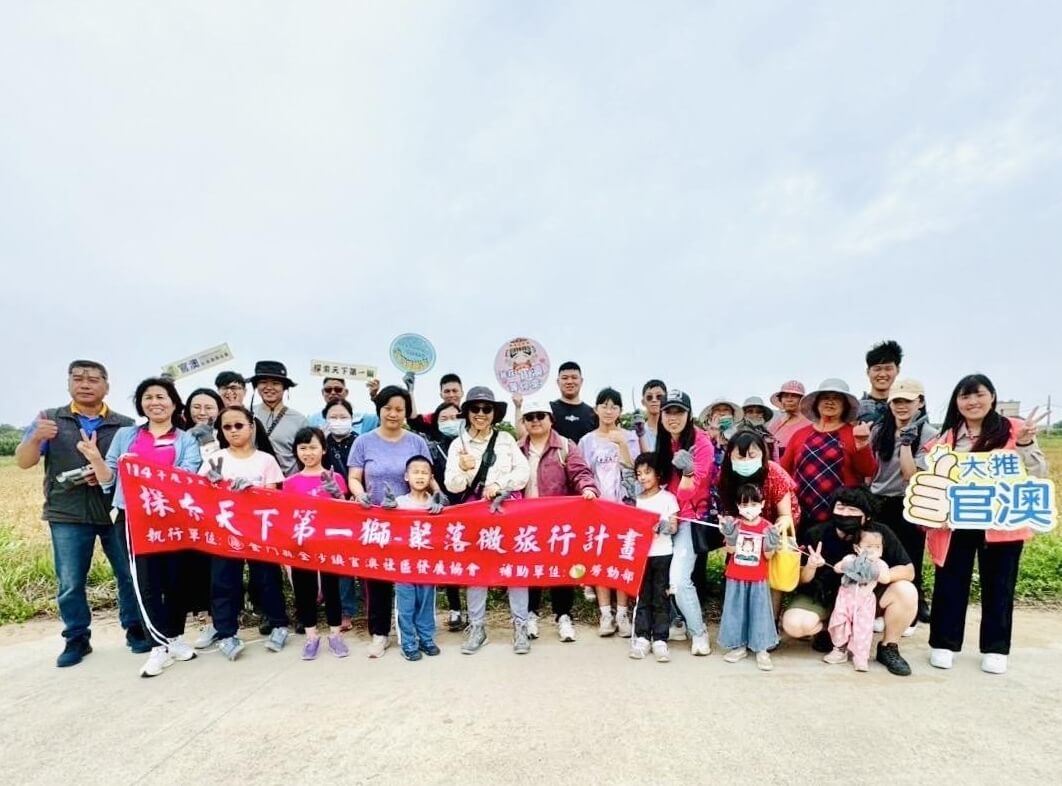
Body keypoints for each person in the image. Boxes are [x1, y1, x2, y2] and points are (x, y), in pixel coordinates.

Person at [14, 360, 145, 667]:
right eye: (78, 379)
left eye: (93, 379)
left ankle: (135, 629)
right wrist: (34, 437)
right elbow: (23, 462)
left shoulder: (125, 424)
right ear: (69, 383)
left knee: (128, 575)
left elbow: (134, 468)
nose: (85, 384)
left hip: (113, 510)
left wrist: (102, 473)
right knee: (71, 580)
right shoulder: (49, 420)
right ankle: (76, 637)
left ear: (107, 386)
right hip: (67, 512)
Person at [922, 374, 1048, 675]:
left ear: (992, 396)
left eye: (978, 394)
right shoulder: (947, 437)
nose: (972, 402)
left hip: (1002, 522)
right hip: (956, 521)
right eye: (965, 397)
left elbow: (1038, 472)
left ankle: (995, 648)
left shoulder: (1013, 430)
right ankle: (944, 643)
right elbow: (934, 476)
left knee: (999, 584)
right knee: (951, 582)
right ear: (957, 402)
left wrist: (1026, 443)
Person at [80, 376, 203, 677]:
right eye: (148, 397)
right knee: (144, 582)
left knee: (175, 581)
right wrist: (96, 459)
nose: (155, 402)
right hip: (134, 519)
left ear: (174, 403)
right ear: (141, 404)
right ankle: (156, 647)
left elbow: (187, 474)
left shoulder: (185, 439)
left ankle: (173, 637)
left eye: (162, 397)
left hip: (172, 519)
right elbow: (109, 480)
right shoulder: (126, 436)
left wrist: (144, 470)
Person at [781, 487, 917, 676]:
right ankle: (831, 632)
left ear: (867, 516)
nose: (845, 514)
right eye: (841, 508)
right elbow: (802, 580)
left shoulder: (879, 534)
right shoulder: (817, 533)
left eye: (853, 510)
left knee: (906, 590)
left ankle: (888, 647)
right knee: (795, 625)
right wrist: (811, 566)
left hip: (865, 596)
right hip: (824, 596)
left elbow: (908, 570)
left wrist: (882, 574)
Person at [198, 405, 291, 660]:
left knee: (266, 579)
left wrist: (253, 492)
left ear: (251, 426)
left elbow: (274, 496)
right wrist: (213, 486)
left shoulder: (266, 460)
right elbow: (199, 496)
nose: (233, 431)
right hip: (225, 530)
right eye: (226, 427)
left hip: (258, 531)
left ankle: (278, 624)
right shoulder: (214, 460)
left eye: (239, 425)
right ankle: (226, 633)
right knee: (224, 581)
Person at [444, 386, 531, 654]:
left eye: (487, 409)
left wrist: (497, 484)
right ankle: (478, 627)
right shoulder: (458, 444)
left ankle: (521, 627)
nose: (481, 414)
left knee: (515, 568)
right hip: (475, 514)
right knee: (476, 569)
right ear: (467, 412)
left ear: (494, 413)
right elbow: (452, 484)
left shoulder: (505, 439)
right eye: (475, 409)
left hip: (507, 511)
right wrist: (463, 468)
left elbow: (523, 473)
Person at [347, 385, 432, 658]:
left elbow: (427, 476)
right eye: (388, 408)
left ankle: (420, 633)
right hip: (377, 520)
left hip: (412, 522)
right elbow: (354, 478)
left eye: (399, 409)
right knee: (378, 578)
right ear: (379, 409)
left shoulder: (417, 442)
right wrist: (360, 496)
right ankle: (380, 633)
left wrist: (440, 499)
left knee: (416, 578)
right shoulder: (363, 441)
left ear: (407, 412)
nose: (393, 414)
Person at [517, 399, 599, 642]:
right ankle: (530, 614)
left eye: (540, 416)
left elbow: (580, 472)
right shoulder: (517, 448)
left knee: (561, 569)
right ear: (524, 422)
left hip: (557, 522)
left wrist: (588, 488)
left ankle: (563, 616)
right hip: (525, 521)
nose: (535, 421)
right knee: (529, 569)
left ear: (551, 419)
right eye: (530, 417)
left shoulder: (564, 445)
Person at [869, 379, 938, 626]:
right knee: (878, 555)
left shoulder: (930, 435)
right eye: (896, 401)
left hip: (909, 502)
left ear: (920, 402)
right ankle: (879, 608)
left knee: (909, 557)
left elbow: (911, 474)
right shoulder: (880, 431)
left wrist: (907, 444)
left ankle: (909, 612)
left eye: (908, 401)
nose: (902, 406)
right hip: (879, 501)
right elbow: (871, 470)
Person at [654, 389, 714, 656]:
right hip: (665, 517)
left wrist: (688, 471)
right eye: (668, 411)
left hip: (689, 519)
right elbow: (659, 481)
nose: (673, 417)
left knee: (679, 579)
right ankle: (677, 621)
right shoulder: (664, 441)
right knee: (661, 574)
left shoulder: (701, 442)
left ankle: (699, 632)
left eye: (679, 411)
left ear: (689, 415)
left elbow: (693, 489)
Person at [578, 388, 640, 637]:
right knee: (600, 560)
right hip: (596, 509)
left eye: (614, 406)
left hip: (624, 508)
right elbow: (582, 473)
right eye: (604, 405)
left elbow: (637, 471)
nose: (608, 410)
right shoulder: (587, 440)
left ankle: (623, 613)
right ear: (596, 409)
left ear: (620, 412)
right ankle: (606, 614)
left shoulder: (630, 437)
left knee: (621, 559)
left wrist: (623, 445)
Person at [284, 427, 350, 660]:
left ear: (323, 449)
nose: (308, 453)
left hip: (329, 543)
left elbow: (346, 511)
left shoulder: (336, 478)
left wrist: (338, 495)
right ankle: (311, 637)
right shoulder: (290, 482)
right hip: (302, 544)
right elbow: (285, 515)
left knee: (332, 590)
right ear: (296, 451)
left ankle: (335, 635)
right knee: (305, 590)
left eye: (313, 447)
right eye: (303, 448)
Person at [781, 379, 877, 525]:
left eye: (836, 398)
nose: (830, 402)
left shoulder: (853, 433)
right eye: (825, 398)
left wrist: (862, 445)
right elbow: (783, 472)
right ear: (816, 403)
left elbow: (868, 470)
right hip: (800, 512)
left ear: (845, 406)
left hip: (840, 513)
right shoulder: (800, 434)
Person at [416, 401, 467, 631]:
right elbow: (427, 472)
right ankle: (455, 609)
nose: (450, 422)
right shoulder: (431, 445)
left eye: (455, 417)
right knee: (450, 559)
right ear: (436, 422)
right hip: (444, 507)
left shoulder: (471, 443)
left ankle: (477, 612)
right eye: (444, 418)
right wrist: (436, 493)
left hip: (472, 505)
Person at [717, 485, 780, 671]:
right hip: (736, 577)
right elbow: (731, 551)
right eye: (745, 504)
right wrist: (729, 535)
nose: (749, 508)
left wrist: (771, 543)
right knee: (736, 612)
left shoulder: (768, 527)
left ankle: (762, 649)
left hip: (758, 577)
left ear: (762, 504)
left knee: (760, 613)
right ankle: (739, 646)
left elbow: (768, 557)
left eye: (754, 503)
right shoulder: (734, 524)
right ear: (738, 506)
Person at [180, 388, 224, 630]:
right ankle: (205, 618)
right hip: (188, 509)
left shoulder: (226, 433)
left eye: (209, 407)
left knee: (219, 565)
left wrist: (208, 441)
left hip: (220, 510)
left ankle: (225, 615)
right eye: (196, 407)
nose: (202, 412)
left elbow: (223, 466)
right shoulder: (180, 436)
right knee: (195, 564)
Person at [629, 454, 679, 662]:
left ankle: (660, 639)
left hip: (662, 554)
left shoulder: (668, 498)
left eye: (647, 472)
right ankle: (642, 637)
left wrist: (665, 527)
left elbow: (675, 525)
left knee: (660, 596)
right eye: (638, 474)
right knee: (642, 597)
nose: (642, 477)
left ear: (658, 474)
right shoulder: (635, 500)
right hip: (641, 556)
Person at [823, 526, 893, 672]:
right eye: (868, 547)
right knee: (839, 623)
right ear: (857, 547)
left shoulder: (880, 564)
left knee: (862, 628)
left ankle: (860, 657)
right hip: (845, 598)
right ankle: (839, 649)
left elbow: (886, 579)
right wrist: (852, 565)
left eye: (877, 547)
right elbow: (837, 568)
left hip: (865, 601)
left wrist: (871, 567)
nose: (873, 550)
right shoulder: (850, 559)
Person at [393, 456, 442, 661]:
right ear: (406, 476)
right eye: (415, 471)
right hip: (404, 565)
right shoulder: (398, 502)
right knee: (405, 605)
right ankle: (408, 642)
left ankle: (426, 639)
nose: (420, 476)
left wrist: (440, 501)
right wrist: (387, 509)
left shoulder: (435, 504)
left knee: (426, 603)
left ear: (431, 477)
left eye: (424, 472)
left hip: (427, 565)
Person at [319, 399, 360, 631]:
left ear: (352, 418)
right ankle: (334, 607)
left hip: (357, 505)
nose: (338, 421)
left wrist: (357, 493)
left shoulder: (360, 442)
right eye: (333, 417)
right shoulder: (322, 444)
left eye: (343, 416)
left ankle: (348, 610)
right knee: (334, 561)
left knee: (351, 562)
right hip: (330, 508)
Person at [249, 360, 308, 476]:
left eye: (275, 383)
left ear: (285, 387)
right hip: (253, 482)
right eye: (263, 382)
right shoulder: (246, 414)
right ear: (256, 386)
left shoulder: (299, 420)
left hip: (287, 484)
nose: (269, 387)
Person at [307, 377, 379, 435]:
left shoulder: (361, 419)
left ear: (346, 392)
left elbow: (384, 420)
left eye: (338, 389)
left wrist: (376, 398)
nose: (333, 393)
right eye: (328, 390)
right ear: (323, 392)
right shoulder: (312, 421)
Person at [859, 340, 903, 423]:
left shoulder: (907, 408)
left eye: (888, 369)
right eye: (877, 369)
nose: (882, 374)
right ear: (868, 372)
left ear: (897, 370)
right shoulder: (856, 409)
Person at [767, 380, 810, 458]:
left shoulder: (810, 424)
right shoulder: (775, 425)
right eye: (785, 396)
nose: (789, 400)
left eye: (794, 396)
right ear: (781, 399)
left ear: (802, 400)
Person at [739, 396, 779, 462]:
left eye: (758, 412)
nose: (754, 414)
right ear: (744, 414)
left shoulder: (768, 435)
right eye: (750, 411)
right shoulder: (738, 432)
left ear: (763, 414)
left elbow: (775, 458)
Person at [634, 379, 668, 453]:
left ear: (666, 399)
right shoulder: (636, 433)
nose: (654, 400)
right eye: (649, 397)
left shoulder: (674, 431)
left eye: (659, 397)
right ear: (643, 402)